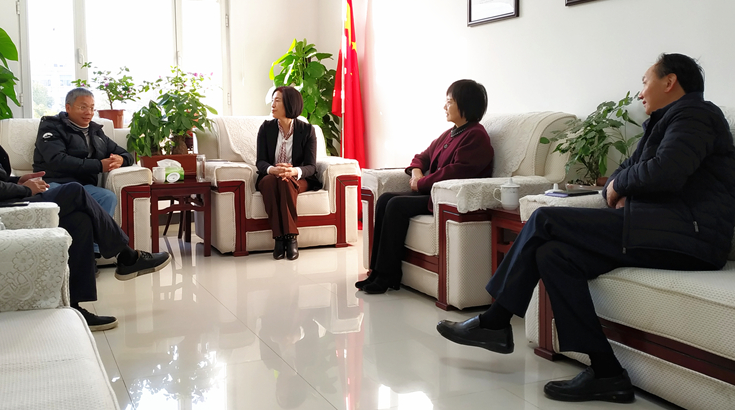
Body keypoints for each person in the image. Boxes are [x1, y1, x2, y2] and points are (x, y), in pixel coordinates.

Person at [436, 54, 735, 403]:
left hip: (691, 236)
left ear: (670, 82)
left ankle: (495, 320)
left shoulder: (696, 114)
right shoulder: (663, 122)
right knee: (553, 255)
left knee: (545, 219)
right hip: (658, 228)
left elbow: (666, 171)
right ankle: (607, 373)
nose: (641, 92)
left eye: (645, 82)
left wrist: (620, 186)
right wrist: (618, 186)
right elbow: (627, 170)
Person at [0, 60, 171, 332]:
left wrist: (16, 180)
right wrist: (25, 189)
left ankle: (74, 306)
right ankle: (127, 257)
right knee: (74, 191)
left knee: (79, 219)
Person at [356, 79, 493, 294]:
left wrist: (420, 183)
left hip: (446, 200)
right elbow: (422, 156)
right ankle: (377, 272)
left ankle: (387, 276)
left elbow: (456, 172)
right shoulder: (450, 133)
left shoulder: (476, 135)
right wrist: (417, 172)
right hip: (432, 193)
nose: (444, 106)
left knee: (396, 205)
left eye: (449, 102)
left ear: (465, 104)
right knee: (384, 199)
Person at [33, 87, 134, 220]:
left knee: (107, 197)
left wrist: (121, 159)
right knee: (71, 197)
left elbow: (125, 154)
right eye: (83, 107)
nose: (89, 112)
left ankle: (99, 234)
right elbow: (57, 160)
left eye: (92, 108)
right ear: (68, 108)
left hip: (84, 186)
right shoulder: (51, 127)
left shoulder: (96, 132)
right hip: (54, 183)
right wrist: (99, 166)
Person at [256, 86, 322, 260]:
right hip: (271, 176)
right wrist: (272, 170)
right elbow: (260, 161)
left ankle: (290, 238)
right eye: (272, 100)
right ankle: (281, 238)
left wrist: (293, 171)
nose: (272, 105)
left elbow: (311, 166)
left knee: (285, 182)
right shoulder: (266, 128)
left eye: (277, 101)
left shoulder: (307, 130)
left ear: (289, 104)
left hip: (298, 178)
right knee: (271, 181)